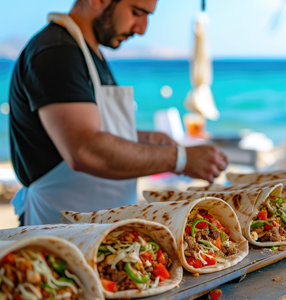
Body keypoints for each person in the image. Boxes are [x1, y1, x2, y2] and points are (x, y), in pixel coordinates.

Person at [8, 0, 228, 226]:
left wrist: (148, 139)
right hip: (60, 231)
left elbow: (96, 128)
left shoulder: (87, 52)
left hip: (100, 228)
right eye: (136, 12)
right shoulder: (57, 52)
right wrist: (180, 159)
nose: (142, 29)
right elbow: (86, 149)